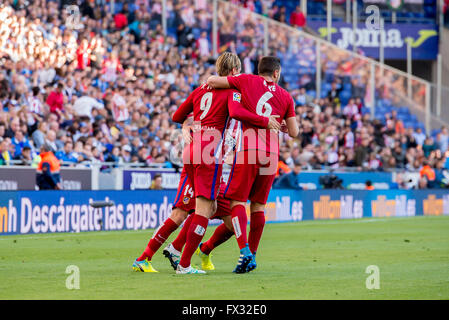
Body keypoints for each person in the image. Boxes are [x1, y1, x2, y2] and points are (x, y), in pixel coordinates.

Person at [170, 52, 279, 274]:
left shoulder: (203, 89)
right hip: (219, 159)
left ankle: (199, 250)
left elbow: (179, 114)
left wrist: (185, 124)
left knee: (217, 217)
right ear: (233, 72)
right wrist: (266, 121)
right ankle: (180, 258)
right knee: (203, 210)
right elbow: (237, 112)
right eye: (237, 71)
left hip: (209, 155)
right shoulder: (235, 91)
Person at [207, 56, 299, 273]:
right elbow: (294, 132)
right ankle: (254, 255)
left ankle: (244, 251)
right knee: (258, 206)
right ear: (276, 73)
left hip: (249, 150)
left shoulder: (246, 80)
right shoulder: (286, 96)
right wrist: (282, 125)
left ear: (260, 71)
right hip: (272, 155)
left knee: (237, 202)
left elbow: (213, 81)